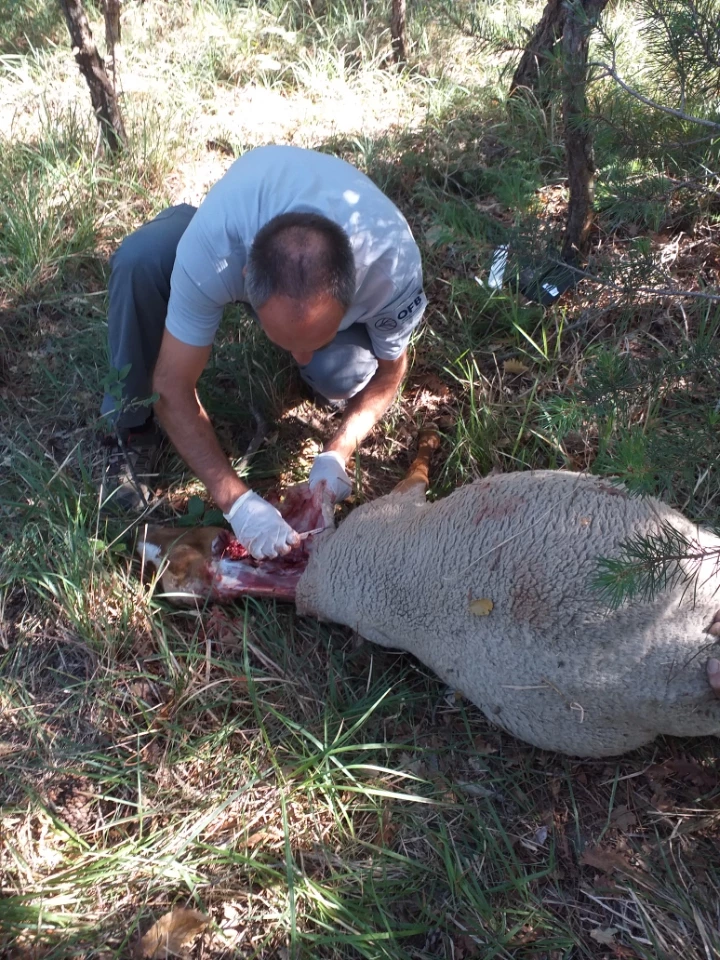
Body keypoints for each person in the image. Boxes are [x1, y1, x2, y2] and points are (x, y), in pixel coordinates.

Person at [102, 145, 427, 560]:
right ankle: (129, 429)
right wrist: (235, 500)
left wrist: (338, 451)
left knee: (340, 376)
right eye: (286, 342)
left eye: (316, 340)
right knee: (141, 260)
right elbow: (171, 385)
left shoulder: (392, 267)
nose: (300, 358)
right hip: (232, 215)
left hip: (337, 227)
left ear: (355, 293)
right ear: (244, 282)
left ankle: (317, 347)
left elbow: (390, 371)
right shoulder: (214, 253)